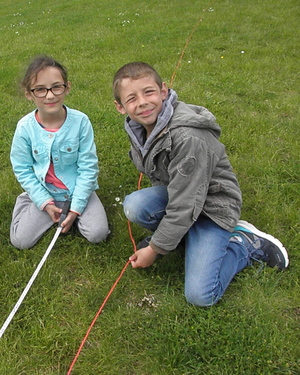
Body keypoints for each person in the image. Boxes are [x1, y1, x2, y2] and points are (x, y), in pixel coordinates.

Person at [112, 62, 289, 306]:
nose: (142, 102)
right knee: (135, 205)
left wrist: (154, 249)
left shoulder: (188, 138)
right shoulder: (140, 128)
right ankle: (182, 236)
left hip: (212, 207)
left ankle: (243, 245)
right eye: (132, 98)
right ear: (120, 107)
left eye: (149, 92)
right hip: (184, 196)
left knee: (201, 295)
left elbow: (185, 204)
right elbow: (172, 187)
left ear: (164, 91)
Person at [10, 55, 109, 249]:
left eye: (56, 87)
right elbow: (22, 169)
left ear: (67, 87)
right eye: (40, 89)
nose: (50, 95)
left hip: (78, 190)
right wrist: (44, 202)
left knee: (98, 234)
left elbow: (88, 167)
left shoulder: (81, 122)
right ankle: (28, 202)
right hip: (46, 192)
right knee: (20, 241)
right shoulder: (24, 128)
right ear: (29, 94)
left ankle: (71, 211)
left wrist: (77, 207)